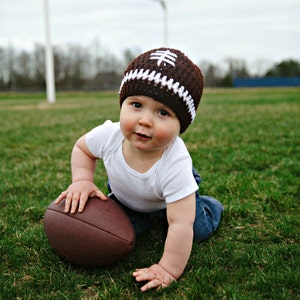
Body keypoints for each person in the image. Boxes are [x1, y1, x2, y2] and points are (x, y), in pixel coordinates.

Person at [55, 48, 224, 292]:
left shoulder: (175, 163)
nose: (145, 120)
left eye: (163, 112)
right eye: (136, 105)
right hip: (127, 200)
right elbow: (83, 149)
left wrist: (167, 268)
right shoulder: (109, 135)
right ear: (122, 103)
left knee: (195, 230)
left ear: (181, 125)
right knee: (114, 231)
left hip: (170, 203)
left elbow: (179, 224)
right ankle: (142, 216)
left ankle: (209, 206)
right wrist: (82, 180)